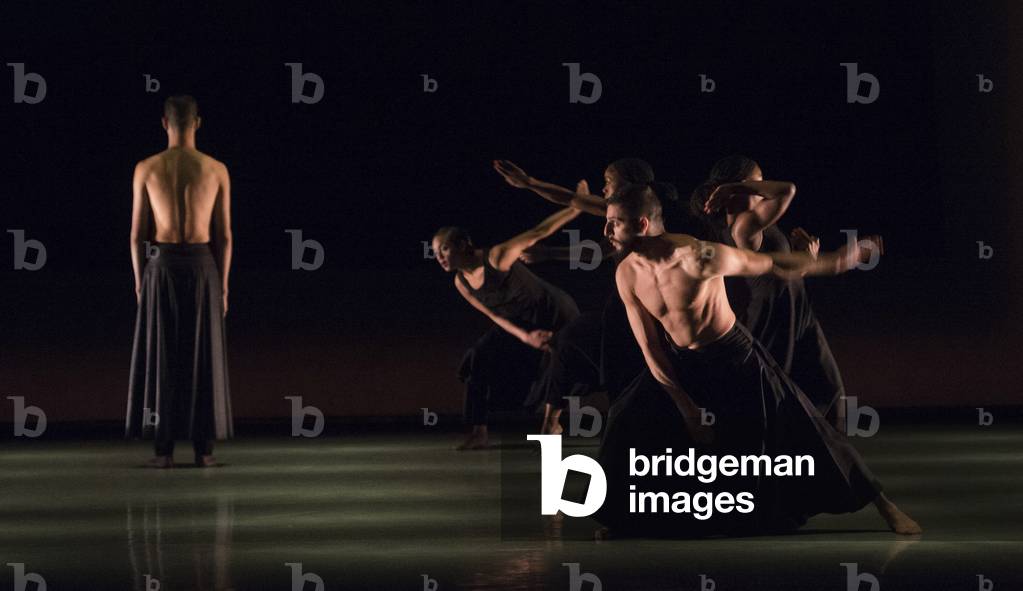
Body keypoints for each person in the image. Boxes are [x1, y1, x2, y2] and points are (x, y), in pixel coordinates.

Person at [596, 183, 921, 538]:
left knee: (802, 425)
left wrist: (837, 260)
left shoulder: (699, 256)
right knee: (625, 418)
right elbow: (651, 348)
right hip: (681, 363)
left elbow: (773, 264)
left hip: (733, 355)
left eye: (615, 223)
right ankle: (623, 520)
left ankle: (883, 505)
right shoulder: (626, 273)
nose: (606, 231)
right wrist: (686, 407)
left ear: (642, 224)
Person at [492, 159, 683, 435]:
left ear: (630, 184)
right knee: (572, 344)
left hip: (655, 306)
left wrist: (529, 183)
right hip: (623, 308)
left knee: (634, 369)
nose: (603, 189)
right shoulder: (621, 219)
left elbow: (574, 200)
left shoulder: (657, 215)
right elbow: (596, 249)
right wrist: (550, 254)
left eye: (608, 181)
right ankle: (554, 422)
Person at [690, 155, 846, 428]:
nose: (763, 191)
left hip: (798, 313)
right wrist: (736, 188)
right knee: (780, 396)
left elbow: (780, 272)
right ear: (736, 188)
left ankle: (824, 461)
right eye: (758, 184)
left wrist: (806, 258)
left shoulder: (750, 223)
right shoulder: (744, 225)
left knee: (828, 393)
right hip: (776, 318)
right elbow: (787, 189)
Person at [126, 95, 233, 469]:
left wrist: (141, 283)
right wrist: (223, 286)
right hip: (203, 264)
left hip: (161, 263)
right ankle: (204, 451)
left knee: (164, 355)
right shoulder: (216, 168)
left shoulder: (146, 167)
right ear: (197, 123)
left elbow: (137, 235)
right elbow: (225, 237)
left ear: (164, 123)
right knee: (202, 354)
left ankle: (164, 451)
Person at [432, 205, 581, 450]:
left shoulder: (497, 257)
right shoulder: (461, 282)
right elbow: (493, 315)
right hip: (522, 323)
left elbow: (538, 231)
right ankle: (479, 432)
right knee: (478, 356)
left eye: (445, 248)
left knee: (560, 361)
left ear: (462, 244)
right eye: (435, 252)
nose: (439, 257)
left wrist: (575, 207)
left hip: (554, 313)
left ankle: (551, 425)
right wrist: (525, 337)